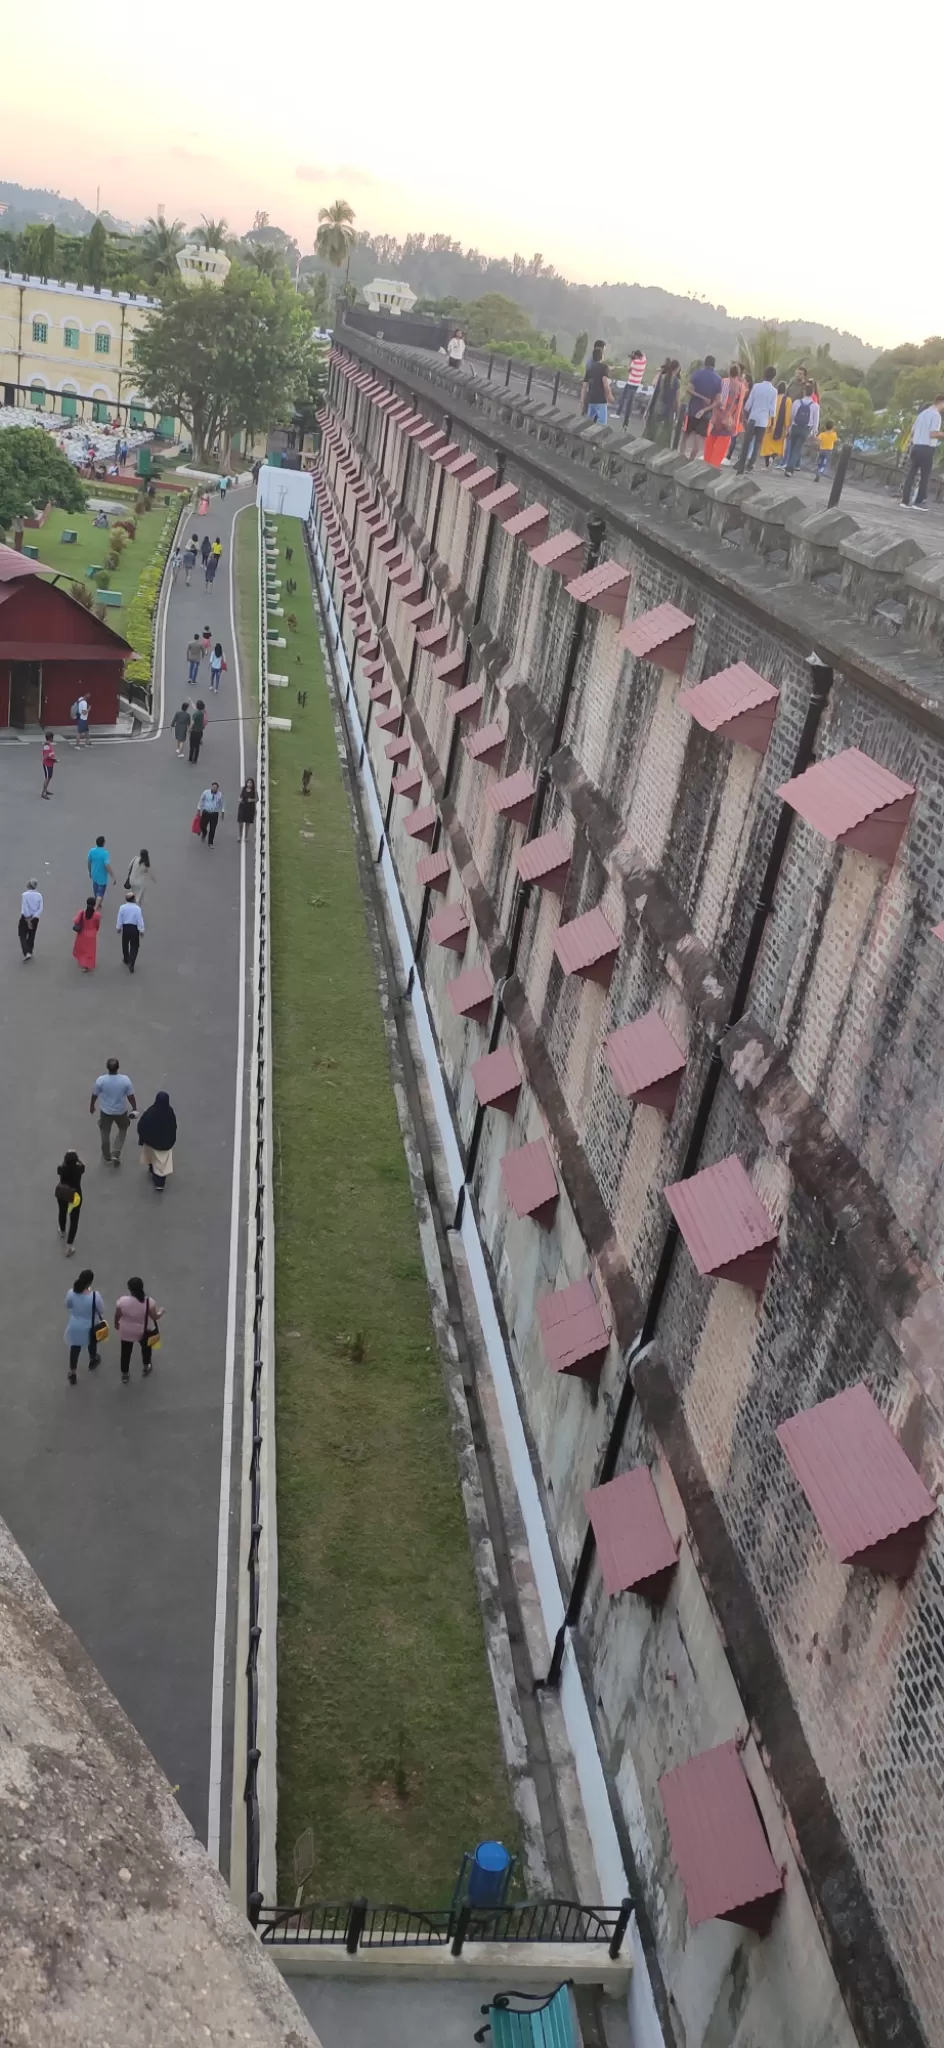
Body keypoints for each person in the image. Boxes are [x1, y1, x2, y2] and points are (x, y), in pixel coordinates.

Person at [115, 1277, 164, 1380]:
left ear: (130, 1289)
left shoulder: (123, 1301)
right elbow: (155, 1317)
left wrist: (116, 1324)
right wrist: (161, 1312)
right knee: (146, 1349)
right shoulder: (148, 1302)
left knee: (125, 1353)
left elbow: (118, 1315)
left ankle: (125, 1375)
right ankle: (146, 1366)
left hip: (126, 1331)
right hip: (142, 1331)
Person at [900, 396, 944, 510]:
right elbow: (933, 434)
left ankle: (905, 500)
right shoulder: (936, 415)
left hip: (916, 446)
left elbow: (913, 431)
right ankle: (919, 501)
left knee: (911, 474)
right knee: (925, 475)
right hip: (927, 447)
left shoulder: (922, 414)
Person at [90, 1059, 137, 1165]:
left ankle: (106, 1155)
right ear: (118, 1067)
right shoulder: (125, 1080)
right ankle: (116, 1152)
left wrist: (92, 1106)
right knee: (123, 1129)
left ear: (107, 1067)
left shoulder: (101, 1080)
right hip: (121, 1111)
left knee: (105, 1132)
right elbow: (131, 1096)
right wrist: (134, 1108)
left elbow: (94, 1094)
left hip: (106, 1112)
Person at [64, 1269, 105, 1383]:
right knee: (92, 1344)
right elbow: (101, 1309)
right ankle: (93, 1359)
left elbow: (67, 1305)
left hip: (75, 1326)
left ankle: (73, 1373)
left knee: (75, 1349)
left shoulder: (71, 1293)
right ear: (90, 1283)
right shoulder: (94, 1296)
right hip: (91, 1326)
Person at [704, 364, 746, 467]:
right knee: (723, 441)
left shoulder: (722, 382)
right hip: (729, 418)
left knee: (712, 438)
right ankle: (714, 464)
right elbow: (739, 404)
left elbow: (715, 398)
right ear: (739, 374)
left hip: (717, 415)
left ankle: (707, 461)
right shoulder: (740, 386)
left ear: (729, 372)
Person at [680, 356, 722, 460]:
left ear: (705, 363)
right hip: (705, 414)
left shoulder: (697, 374)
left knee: (686, 435)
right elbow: (718, 401)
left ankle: (680, 457)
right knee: (698, 441)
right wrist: (705, 409)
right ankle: (690, 461)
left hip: (693, 410)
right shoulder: (718, 379)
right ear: (714, 365)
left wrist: (700, 397)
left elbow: (688, 390)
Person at [738, 365, 779, 471]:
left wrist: (744, 416)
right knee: (757, 444)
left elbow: (748, 404)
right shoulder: (774, 391)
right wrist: (772, 422)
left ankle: (741, 464)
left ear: (764, 374)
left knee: (747, 443)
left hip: (753, 418)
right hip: (763, 421)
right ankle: (750, 465)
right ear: (773, 377)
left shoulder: (756, 386)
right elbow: (772, 410)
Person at [137, 1090, 177, 1190]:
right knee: (161, 1162)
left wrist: (142, 1138)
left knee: (151, 1156)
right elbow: (174, 1126)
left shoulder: (151, 1112)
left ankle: (152, 1168)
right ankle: (160, 1182)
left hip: (151, 1142)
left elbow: (142, 1125)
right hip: (165, 1143)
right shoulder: (170, 1112)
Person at [55, 1149, 85, 1256]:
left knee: (62, 1212)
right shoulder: (79, 1169)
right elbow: (83, 1165)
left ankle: (62, 1230)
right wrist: (78, 1160)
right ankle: (69, 1246)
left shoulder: (62, 1169)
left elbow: (60, 1167)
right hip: (75, 1196)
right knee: (74, 1219)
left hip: (63, 1193)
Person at [645, 359, 681, 448]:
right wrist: (677, 415)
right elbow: (677, 400)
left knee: (651, 433)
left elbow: (655, 394)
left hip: (656, 408)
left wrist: (648, 410)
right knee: (663, 437)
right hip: (667, 412)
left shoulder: (662, 377)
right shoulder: (677, 382)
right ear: (677, 369)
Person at [783, 384, 815, 474]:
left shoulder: (797, 402)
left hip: (795, 427)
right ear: (812, 393)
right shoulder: (815, 406)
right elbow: (815, 421)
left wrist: (789, 427)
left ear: (804, 392)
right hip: (805, 429)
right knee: (797, 449)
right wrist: (813, 432)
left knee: (792, 448)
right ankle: (790, 468)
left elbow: (791, 415)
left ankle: (789, 466)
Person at [581, 341, 613, 426]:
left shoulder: (590, 367)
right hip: (599, 398)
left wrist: (582, 399)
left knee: (588, 422)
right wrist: (609, 395)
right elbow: (604, 381)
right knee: (601, 423)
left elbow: (585, 385)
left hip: (591, 396)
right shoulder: (603, 367)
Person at [761, 383, 791, 467]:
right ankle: (772, 457)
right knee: (776, 447)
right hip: (779, 428)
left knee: (767, 447)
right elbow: (787, 416)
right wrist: (787, 427)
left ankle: (767, 464)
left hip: (769, 425)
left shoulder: (772, 397)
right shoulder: (787, 400)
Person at [116, 888, 145, 972]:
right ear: (133, 899)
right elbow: (139, 920)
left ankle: (126, 958)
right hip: (134, 928)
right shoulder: (137, 909)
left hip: (126, 927)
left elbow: (119, 918)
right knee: (135, 945)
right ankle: (132, 961)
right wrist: (141, 930)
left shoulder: (122, 907)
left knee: (125, 944)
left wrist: (118, 927)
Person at [72, 897, 101, 973]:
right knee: (90, 951)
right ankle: (87, 965)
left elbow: (75, 920)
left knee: (82, 949)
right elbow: (97, 925)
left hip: (82, 933)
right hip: (92, 934)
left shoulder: (82, 912)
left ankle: (82, 963)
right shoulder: (96, 915)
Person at [620, 350, 647, 423]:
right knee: (631, 399)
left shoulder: (634, 362)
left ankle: (619, 413)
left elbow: (629, 370)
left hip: (630, 382)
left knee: (624, 397)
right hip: (637, 383)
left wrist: (631, 359)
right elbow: (643, 355)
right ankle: (628, 416)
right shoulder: (644, 361)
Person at [18, 879, 43, 960]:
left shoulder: (24, 895)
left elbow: (25, 907)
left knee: (22, 934)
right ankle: (30, 950)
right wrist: (34, 916)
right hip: (35, 919)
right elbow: (40, 908)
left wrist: (28, 918)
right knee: (32, 935)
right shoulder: (39, 895)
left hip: (25, 918)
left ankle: (26, 952)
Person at [87, 835, 115, 905]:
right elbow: (107, 865)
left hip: (94, 874)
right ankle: (97, 906)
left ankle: (97, 902)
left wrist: (89, 871)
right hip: (102, 877)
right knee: (101, 893)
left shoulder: (91, 851)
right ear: (103, 843)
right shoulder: (105, 853)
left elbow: (89, 862)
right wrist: (113, 876)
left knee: (96, 890)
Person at [237, 776, 257, 842]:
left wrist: (251, 800)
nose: (249, 784)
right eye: (248, 782)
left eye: (250, 783)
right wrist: (239, 800)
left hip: (250, 808)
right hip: (242, 807)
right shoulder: (243, 789)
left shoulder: (254, 791)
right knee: (240, 822)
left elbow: (257, 799)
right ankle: (240, 836)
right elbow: (239, 796)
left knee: (247, 823)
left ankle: (246, 836)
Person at [41, 730, 56, 798]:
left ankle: (45, 790)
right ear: (50, 738)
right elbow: (45, 756)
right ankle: (44, 792)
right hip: (47, 764)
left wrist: (53, 760)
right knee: (47, 778)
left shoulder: (49, 745)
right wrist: (52, 759)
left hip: (50, 763)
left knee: (49, 777)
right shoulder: (46, 746)